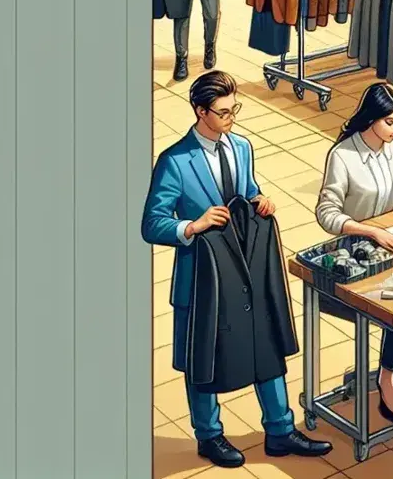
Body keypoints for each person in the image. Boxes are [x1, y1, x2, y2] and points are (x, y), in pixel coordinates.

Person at [141, 71, 332, 468]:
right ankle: (209, 436)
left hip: (244, 269)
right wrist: (191, 226)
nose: (232, 118)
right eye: (224, 112)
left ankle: (280, 431)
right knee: (203, 357)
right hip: (202, 279)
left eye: (235, 109)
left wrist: (259, 199)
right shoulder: (175, 161)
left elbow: (246, 189)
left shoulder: (241, 147)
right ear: (200, 111)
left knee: (265, 343)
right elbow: (151, 223)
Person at [316, 82, 393, 424]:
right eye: (390, 122)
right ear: (371, 118)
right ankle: (387, 376)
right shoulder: (344, 156)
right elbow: (327, 213)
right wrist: (371, 230)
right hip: (356, 250)